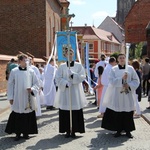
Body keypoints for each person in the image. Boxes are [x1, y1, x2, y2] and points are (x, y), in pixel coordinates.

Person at [101, 53, 140, 138]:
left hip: (127, 94)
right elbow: (111, 80)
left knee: (128, 113)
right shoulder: (114, 69)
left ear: (125, 59)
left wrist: (129, 85)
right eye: (120, 58)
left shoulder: (130, 69)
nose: (122, 59)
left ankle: (128, 131)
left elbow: (136, 80)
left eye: (123, 58)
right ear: (118, 60)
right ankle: (118, 130)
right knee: (118, 113)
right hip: (117, 94)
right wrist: (121, 80)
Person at [5, 54, 39, 141]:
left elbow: (36, 83)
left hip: (28, 97)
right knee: (18, 114)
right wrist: (11, 97)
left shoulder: (31, 71)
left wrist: (32, 89)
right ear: (19, 61)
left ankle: (26, 133)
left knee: (27, 114)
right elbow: (10, 84)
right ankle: (17, 133)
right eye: (25, 60)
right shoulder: (14, 71)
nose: (27, 62)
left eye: (27, 60)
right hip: (18, 96)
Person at [54, 47, 87, 138]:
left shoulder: (78, 65)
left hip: (75, 91)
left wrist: (73, 75)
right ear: (65, 55)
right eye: (67, 54)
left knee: (75, 110)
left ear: (73, 55)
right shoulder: (62, 66)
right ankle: (67, 130)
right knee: (66, 110)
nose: (70, 55)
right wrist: (65, 83)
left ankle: (75, 130)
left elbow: (82, 76)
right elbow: (57, 78)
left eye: (71, 53)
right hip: (65, 91)